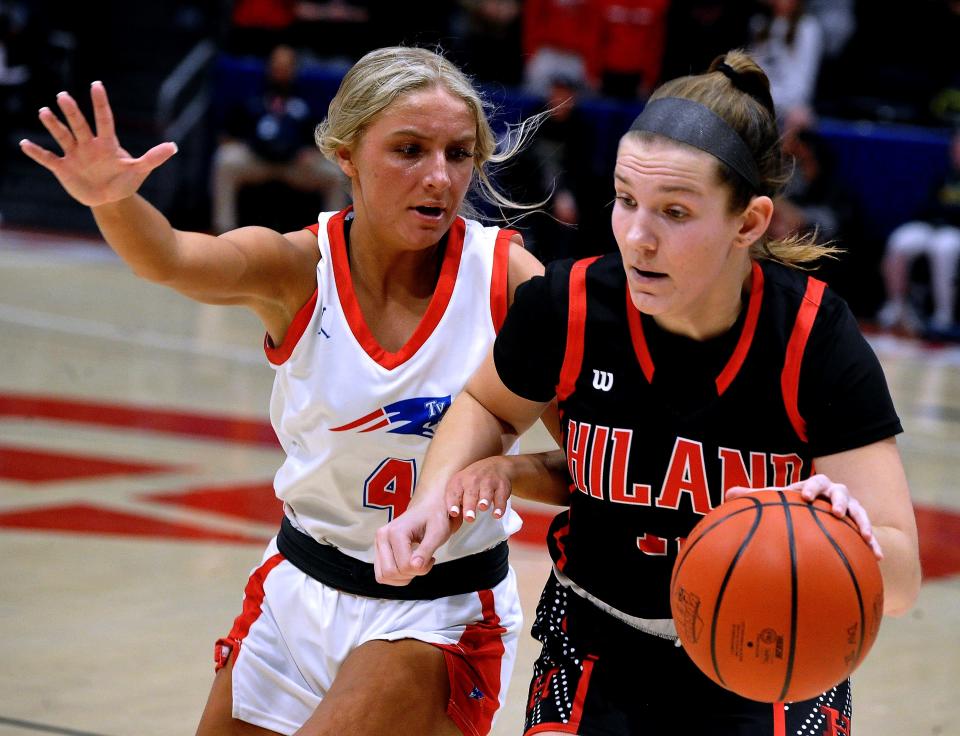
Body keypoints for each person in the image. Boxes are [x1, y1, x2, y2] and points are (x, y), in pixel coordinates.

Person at [375, 50, 922, 735]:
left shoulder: (814, 338)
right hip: (599, 637)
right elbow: (486, 406)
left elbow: (900, 587)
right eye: (626, 200)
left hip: (773, 656)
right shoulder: (570, 305)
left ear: (748, 223)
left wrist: (852, 533)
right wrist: (432, 497)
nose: (638, 236)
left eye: (674, 212)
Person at [20, 45, 551, 736]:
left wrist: (505, 469)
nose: (439, 177)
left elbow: (600, 460)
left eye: (458, 153)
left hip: (438, 610)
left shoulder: (508, 281)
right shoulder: (299, 268)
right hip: (299, 587)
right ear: (345, 154)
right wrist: (114, 201)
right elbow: (175, 258)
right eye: (410, 150)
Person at [210, 43, 346, 234]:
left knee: (335, 174)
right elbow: (227, 134)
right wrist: (241, 143)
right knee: (225, 160)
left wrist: (313, 150)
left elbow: (323, 136)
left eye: (286, 66)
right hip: (257, 161)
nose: (280, 71)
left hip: (295, 164)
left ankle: (333, 236)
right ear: (269, 67)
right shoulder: (253, 98)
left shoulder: (306, 101)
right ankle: (223, 231)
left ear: (294, 69)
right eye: (277, 66)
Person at [876, 129, 960, 336]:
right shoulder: (945, 176)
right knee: (901, 239)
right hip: (932, 225)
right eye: (956, 146)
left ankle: (944, 315)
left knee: (944, 247)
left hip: (953, 231)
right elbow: (926, 206)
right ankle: (897, 306)